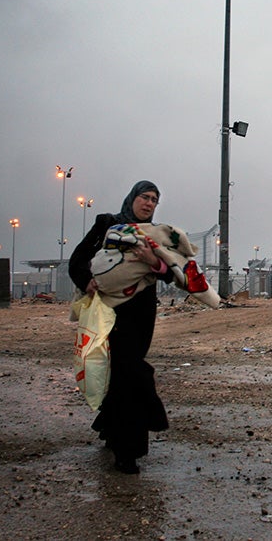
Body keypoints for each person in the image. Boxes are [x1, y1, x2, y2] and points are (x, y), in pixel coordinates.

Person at [68, 180, 174, 475]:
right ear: (132, 198)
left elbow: (170, 274)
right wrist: (84, 280)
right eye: (145, 197)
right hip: (107, 313)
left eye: (154, 199)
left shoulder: (155, 235)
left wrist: (154, 261)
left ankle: (110, 428)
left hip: (140, 315)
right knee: (131, 372)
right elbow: (77, 260)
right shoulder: (108, 224)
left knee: (123, 373)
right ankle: (128, 451)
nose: (149, 203)